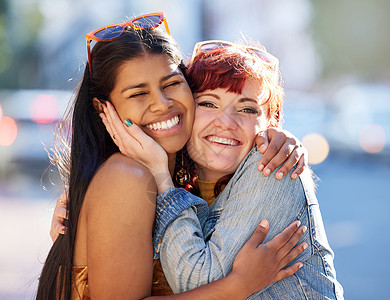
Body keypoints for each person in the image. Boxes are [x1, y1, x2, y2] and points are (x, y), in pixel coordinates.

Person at [39, 13, 309, 299]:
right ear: (103, 109)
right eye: (138, 94)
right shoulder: (127, 177)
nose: (162, 104)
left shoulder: (180, 176)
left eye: (170, 84)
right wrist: (239, 286)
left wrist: (279, 138)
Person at [101, 39, 344, 299]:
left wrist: (160, 176)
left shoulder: (273, 169)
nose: (226, 122)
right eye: (208, 103)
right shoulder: (176, 182)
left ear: (270, 125)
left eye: (247, 109)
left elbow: (195, 283)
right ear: (186, 110)